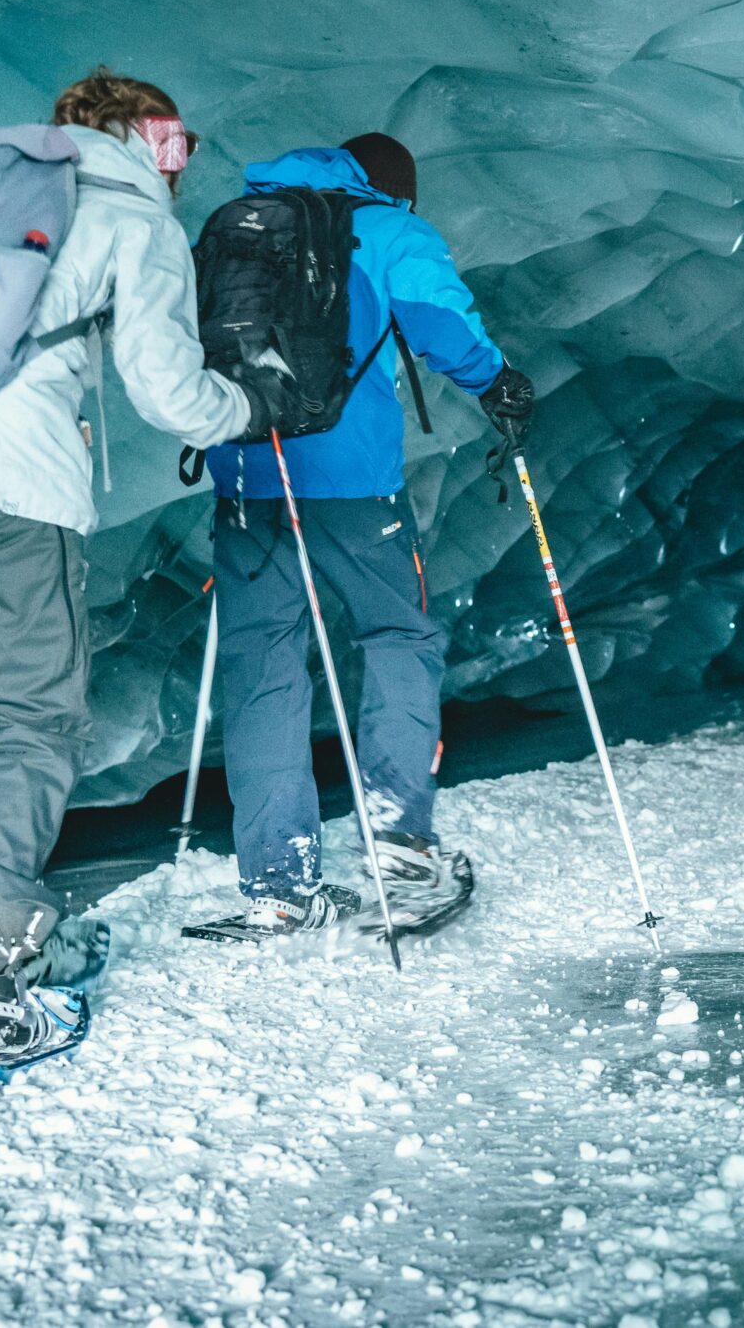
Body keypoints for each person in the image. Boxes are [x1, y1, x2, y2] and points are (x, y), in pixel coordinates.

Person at [0, 68, 274, 1063]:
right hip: (6, 482)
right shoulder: (127, 210)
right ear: (139, 133)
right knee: (33, 709)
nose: (180, 163)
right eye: (177, 142)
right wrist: (244, 411)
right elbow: (168, 389)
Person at [202, 132, 532, 934]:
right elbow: (441, 325)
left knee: (265, 665)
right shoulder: (389, 229)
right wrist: (501, 384)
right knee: (396, 639)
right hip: (354, 486)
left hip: (247, 477)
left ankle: (279, 880)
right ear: (397, 189)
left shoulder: (234, 224)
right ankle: (397, 839)